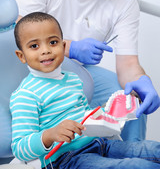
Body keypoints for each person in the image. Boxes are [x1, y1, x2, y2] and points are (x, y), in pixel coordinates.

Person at [15, 0, 160, 141]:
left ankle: (133, 155)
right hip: (36, 66)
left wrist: (142, 80)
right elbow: (20, 29)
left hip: (81, 73)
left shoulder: (124, 0)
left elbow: (128, 65)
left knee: (130, 99)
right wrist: (69, 48)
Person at [10, 12, 160, 169]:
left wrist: (110, 110)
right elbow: (20, 149)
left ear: (62, 46)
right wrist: (50, 134)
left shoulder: (73, 79)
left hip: (100, 143)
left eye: (53, 42)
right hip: (66, 158)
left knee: (154, 150)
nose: (45, 50)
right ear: (21, 56)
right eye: (34, 46)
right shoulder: (25, 95)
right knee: (138, 166)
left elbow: (85, 116)